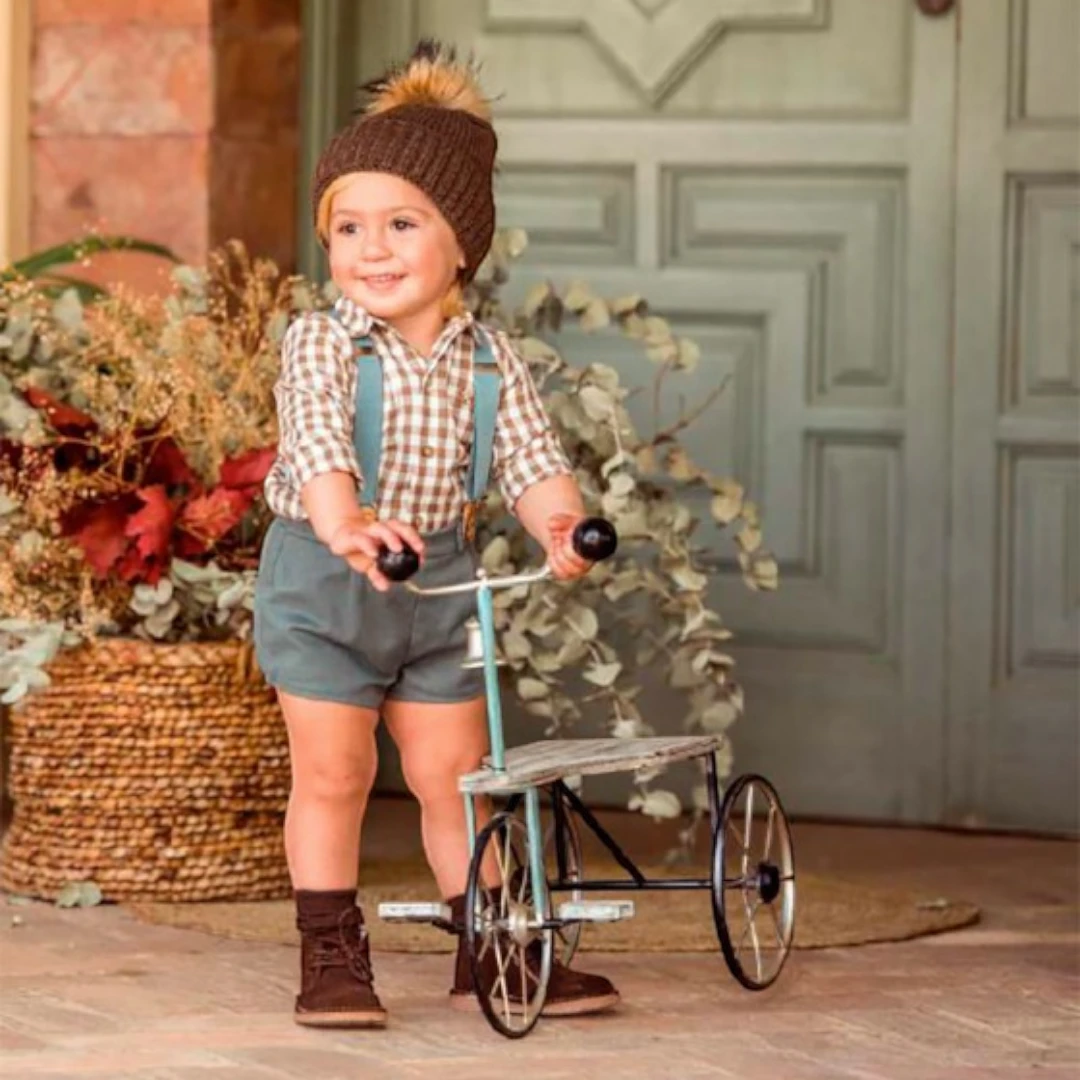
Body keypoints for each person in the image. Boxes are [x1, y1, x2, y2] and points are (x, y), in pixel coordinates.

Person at [254, 40, 620, 1029]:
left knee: (459, 780)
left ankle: (490, 949)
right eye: (348, 228)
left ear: (462, 243)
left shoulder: (490, 359)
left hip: (443, 584)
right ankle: (331, 955)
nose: (370, 250)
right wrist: (347, 526)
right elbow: (319, 442)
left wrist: (563, 527)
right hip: (326, 582)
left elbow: (532, 461)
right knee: (335, 772)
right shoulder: (323, 341)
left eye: (401, 224)